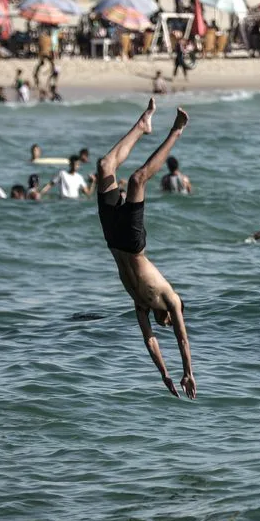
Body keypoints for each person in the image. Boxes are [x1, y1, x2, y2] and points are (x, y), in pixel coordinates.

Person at [95, 99, 195, 398]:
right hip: (133, 243)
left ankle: (143, 125)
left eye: (161, 322)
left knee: (104, 166)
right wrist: (188, 370)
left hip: (113, 238)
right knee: (138, 178)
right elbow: (182, 338)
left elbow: (149, 341)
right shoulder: (171, 300)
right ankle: (174, 131)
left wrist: (165, 375)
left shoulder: (142, 305)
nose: (162, 324)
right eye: (164, 321)